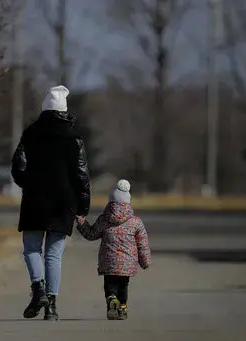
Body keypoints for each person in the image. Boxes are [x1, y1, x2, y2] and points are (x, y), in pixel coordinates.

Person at [11, 85, 91, 321]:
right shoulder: (74, 138)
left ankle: (38, 289)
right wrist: (83, 206)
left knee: (32, 248)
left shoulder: (30, 133)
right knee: (54, 255)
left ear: (44, 108)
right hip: (64, 201)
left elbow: (18, 166)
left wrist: (28, 183)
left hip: (35, 198)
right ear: (64, 110)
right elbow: (81, 174)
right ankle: (52, 307)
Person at [75, 179, 151, 320]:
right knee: (123, 286)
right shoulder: (135, 222)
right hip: (127, 264)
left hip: (108, 262)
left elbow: (91, 234)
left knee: (110, 285)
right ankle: (122, 308)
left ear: (111, 202)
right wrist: (145, 261)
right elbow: (142, 244)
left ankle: (111, 299)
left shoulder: (105, 219)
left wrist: (81, 223)